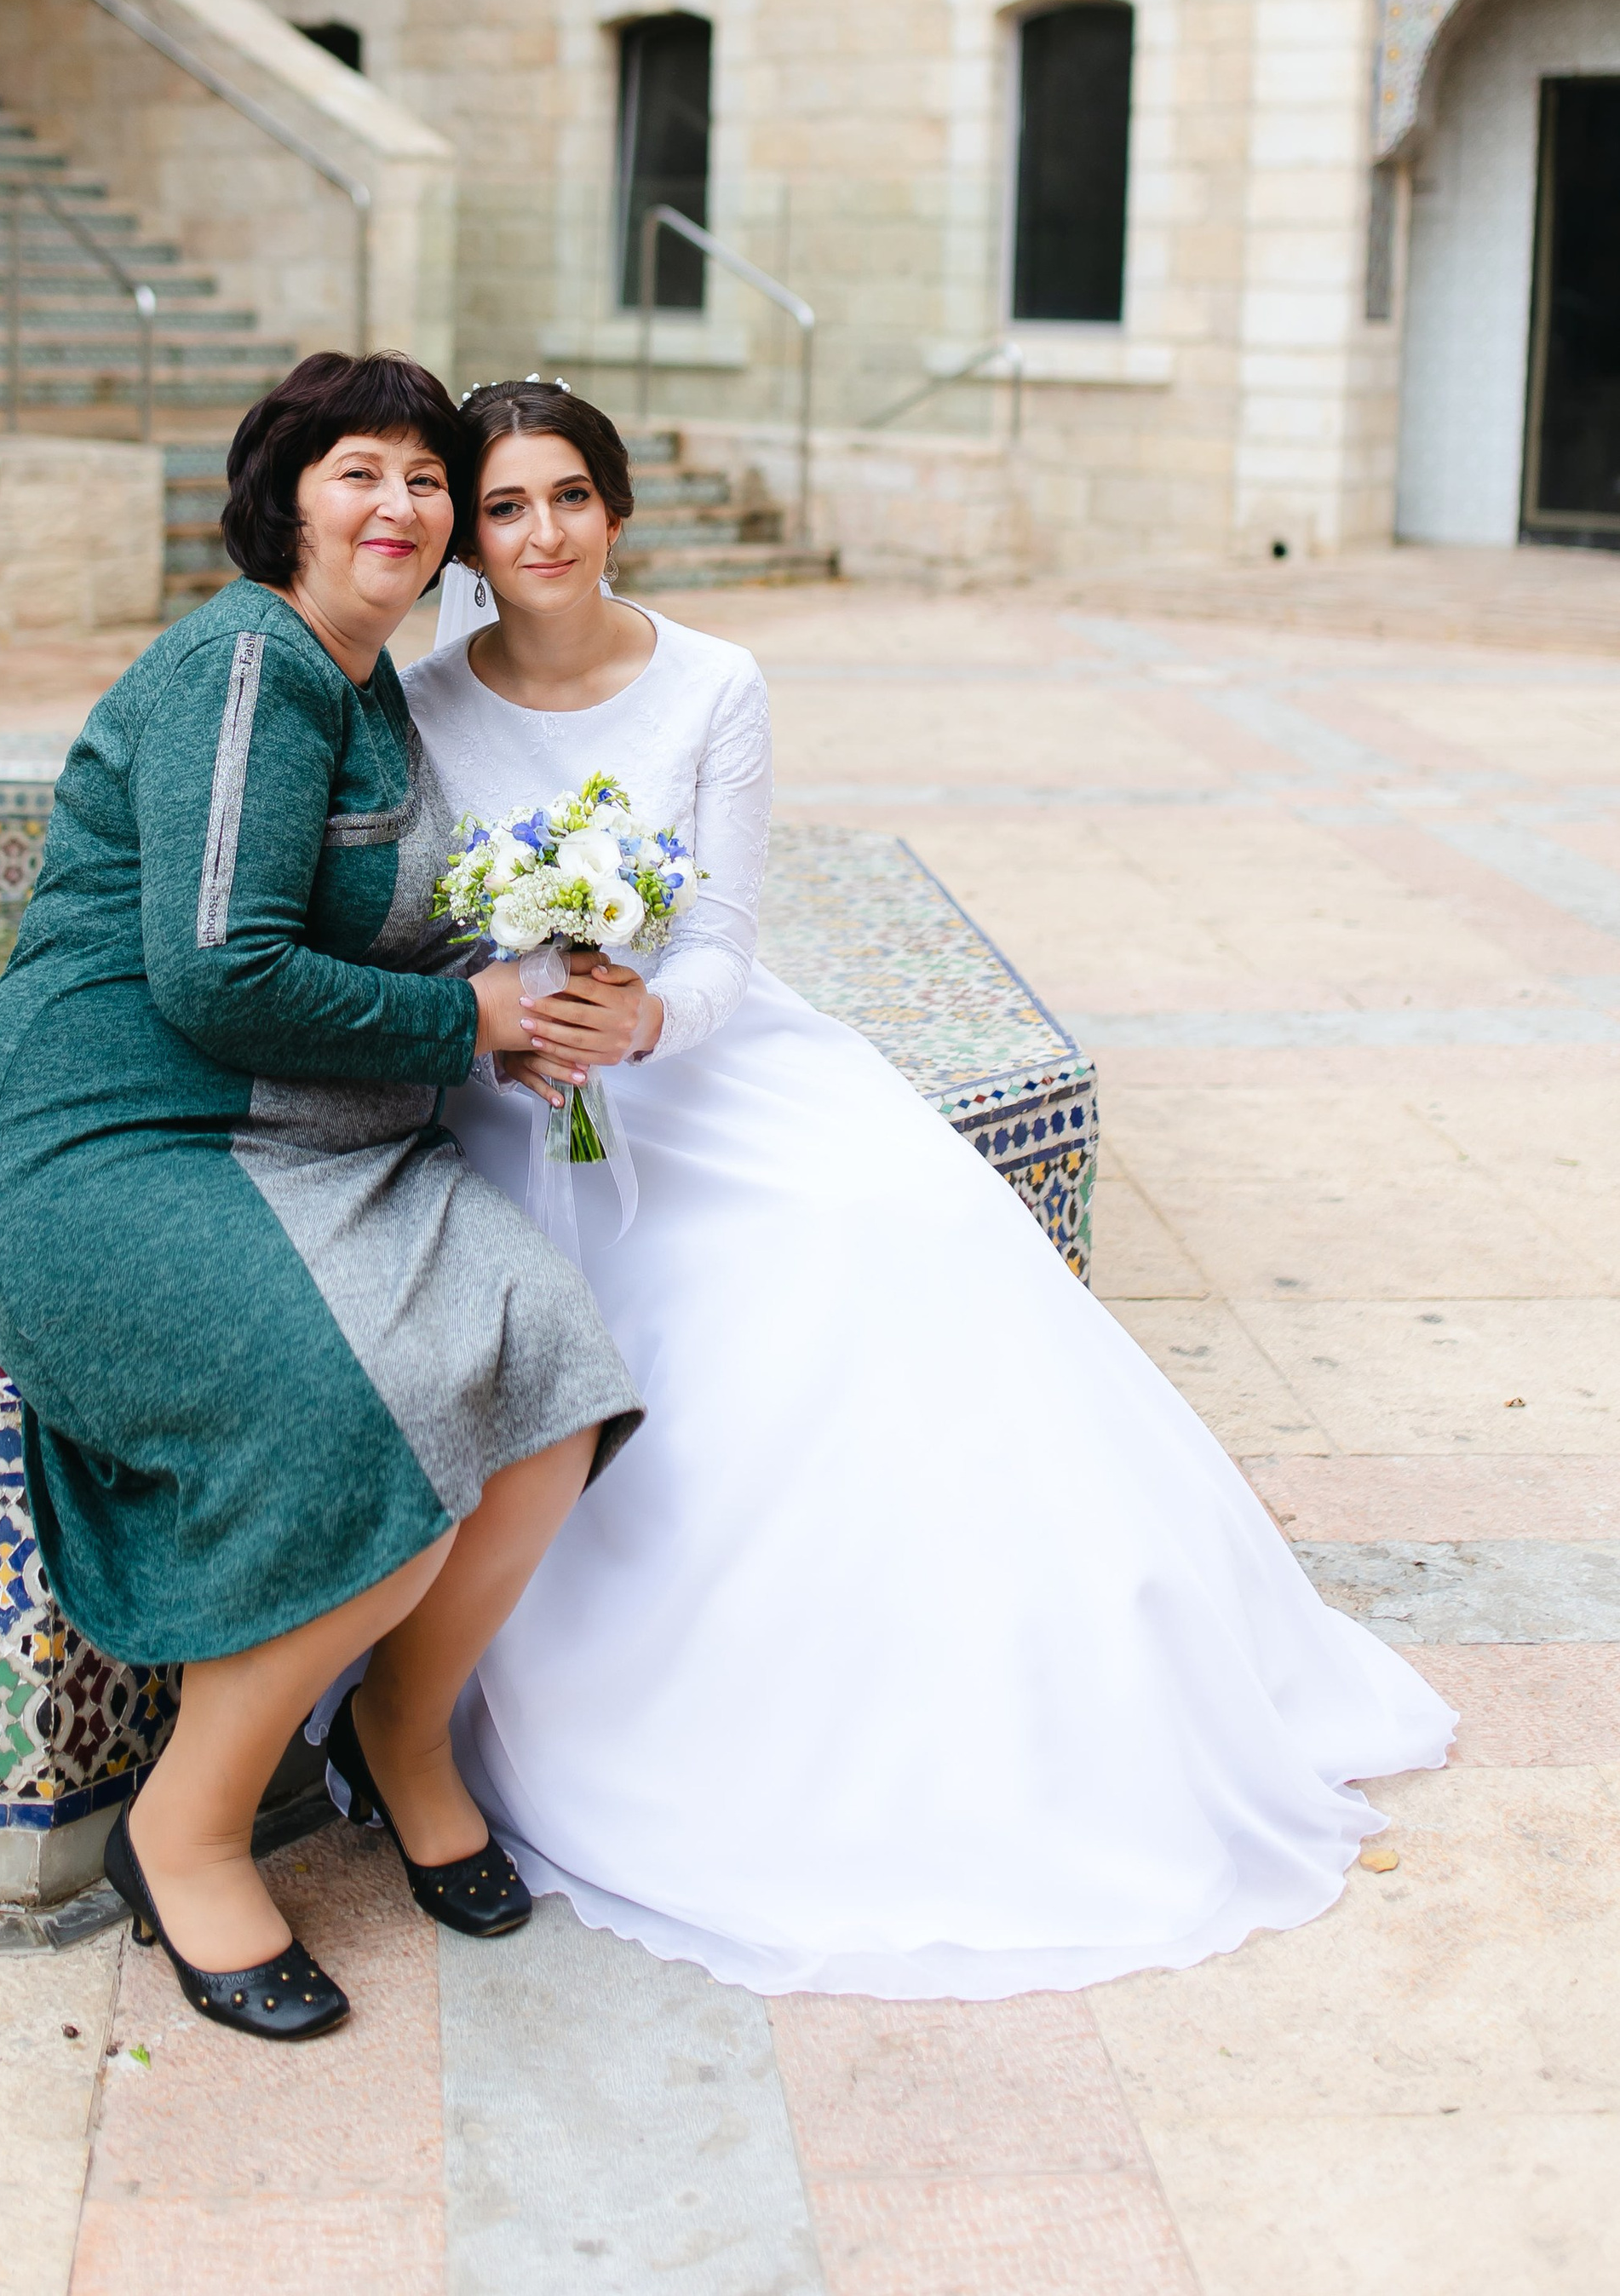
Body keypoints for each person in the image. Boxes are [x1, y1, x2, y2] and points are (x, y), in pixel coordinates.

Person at [395, 378, 1455, 2000]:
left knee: (908, 1220)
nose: (544, 534)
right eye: (505, 507)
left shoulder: (715, 681)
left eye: (571, 497)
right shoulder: (420, 702)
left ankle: (1008, 1686)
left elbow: (722, 940)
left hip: (693, 1061)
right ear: (468, 539)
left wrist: (648, 1019)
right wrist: (514, 1034)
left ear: (618, 507)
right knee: (648, 1303)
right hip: (513, 1081)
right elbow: (411, 938)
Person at [0, 354, 641, 2042]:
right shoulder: (249, 663)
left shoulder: (366, 685)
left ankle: (403, 1733)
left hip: (304, 1138)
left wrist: (527, 1001)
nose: (399, 505)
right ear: (285, 498)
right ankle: (183, 1826)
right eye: (357, 472)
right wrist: (468, 1025)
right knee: (367, 1431)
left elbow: (357, 934)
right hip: (106, 1139)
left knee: (551, 1374)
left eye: (424, 479)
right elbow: (217, 971)